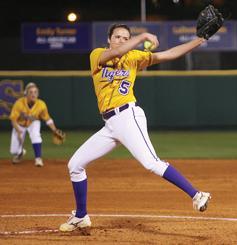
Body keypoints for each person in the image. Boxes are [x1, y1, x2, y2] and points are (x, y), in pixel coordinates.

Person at [59, 24, 214, 232]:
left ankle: (197, 195)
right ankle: (80, 216)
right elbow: (116, 52)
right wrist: (142, 36)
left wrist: (199, 40)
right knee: (75, 164)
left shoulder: (134, 57)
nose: (121, 41)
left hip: (128, 115)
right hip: (110, 124)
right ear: (109, 39)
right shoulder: (98, 55)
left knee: (151, 162)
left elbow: (168, 54)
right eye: (117, 37)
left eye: (125, 38)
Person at [9, 82, 60, 166]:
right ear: (26, 94)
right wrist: (18, 132)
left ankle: (38, 158)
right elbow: (13, 119)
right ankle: (20, 153)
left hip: (33, 122)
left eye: (35, 92)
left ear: (38, 94)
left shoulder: (41, 104)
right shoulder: (19, 103)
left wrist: (54, 130)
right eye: (31, 92)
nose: (33, 94)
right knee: (14, 150)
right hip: (19, 124)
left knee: (36, 135)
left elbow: (48, 119)